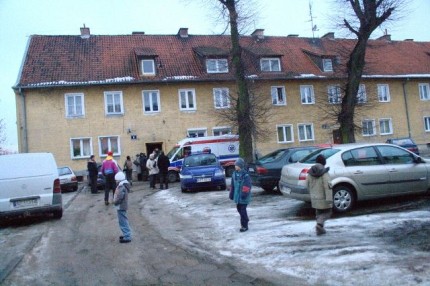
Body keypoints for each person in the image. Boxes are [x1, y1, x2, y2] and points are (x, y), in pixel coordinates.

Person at [306, 154, 333, 236]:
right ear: (324, 162)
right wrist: (329, 199)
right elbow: (328, 186)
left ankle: (320, 229)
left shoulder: (310, 172)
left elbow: (307, 184)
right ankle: (319, 225)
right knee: (328, 212)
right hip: (323, 197)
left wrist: (311, 194)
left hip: (314, 197)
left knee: (318, 212)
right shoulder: (324, 173)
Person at [229, 158, 252, 232]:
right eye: (235, 165)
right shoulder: (234, 174)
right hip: (237, 197)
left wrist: (244, 194)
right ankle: (246, 219)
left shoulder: (246, 175)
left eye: (236, 165)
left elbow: (247, 186)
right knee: (239, 209)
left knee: (242, 210)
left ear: (240, 166)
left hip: (243, 197)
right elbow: (232, 185)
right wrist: (231, 194)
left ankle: (244, 226)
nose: (235, 166)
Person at [113, 171, 132, 243]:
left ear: (119, 180)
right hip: (122, 206)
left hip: (121, 206)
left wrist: (115, 202)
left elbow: (119, 197)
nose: (116, 182)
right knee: (123, 220)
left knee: (123, 221)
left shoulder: (121, 186)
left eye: (116, 180)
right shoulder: (123, 185)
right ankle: (126, 234)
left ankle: (127, 236)